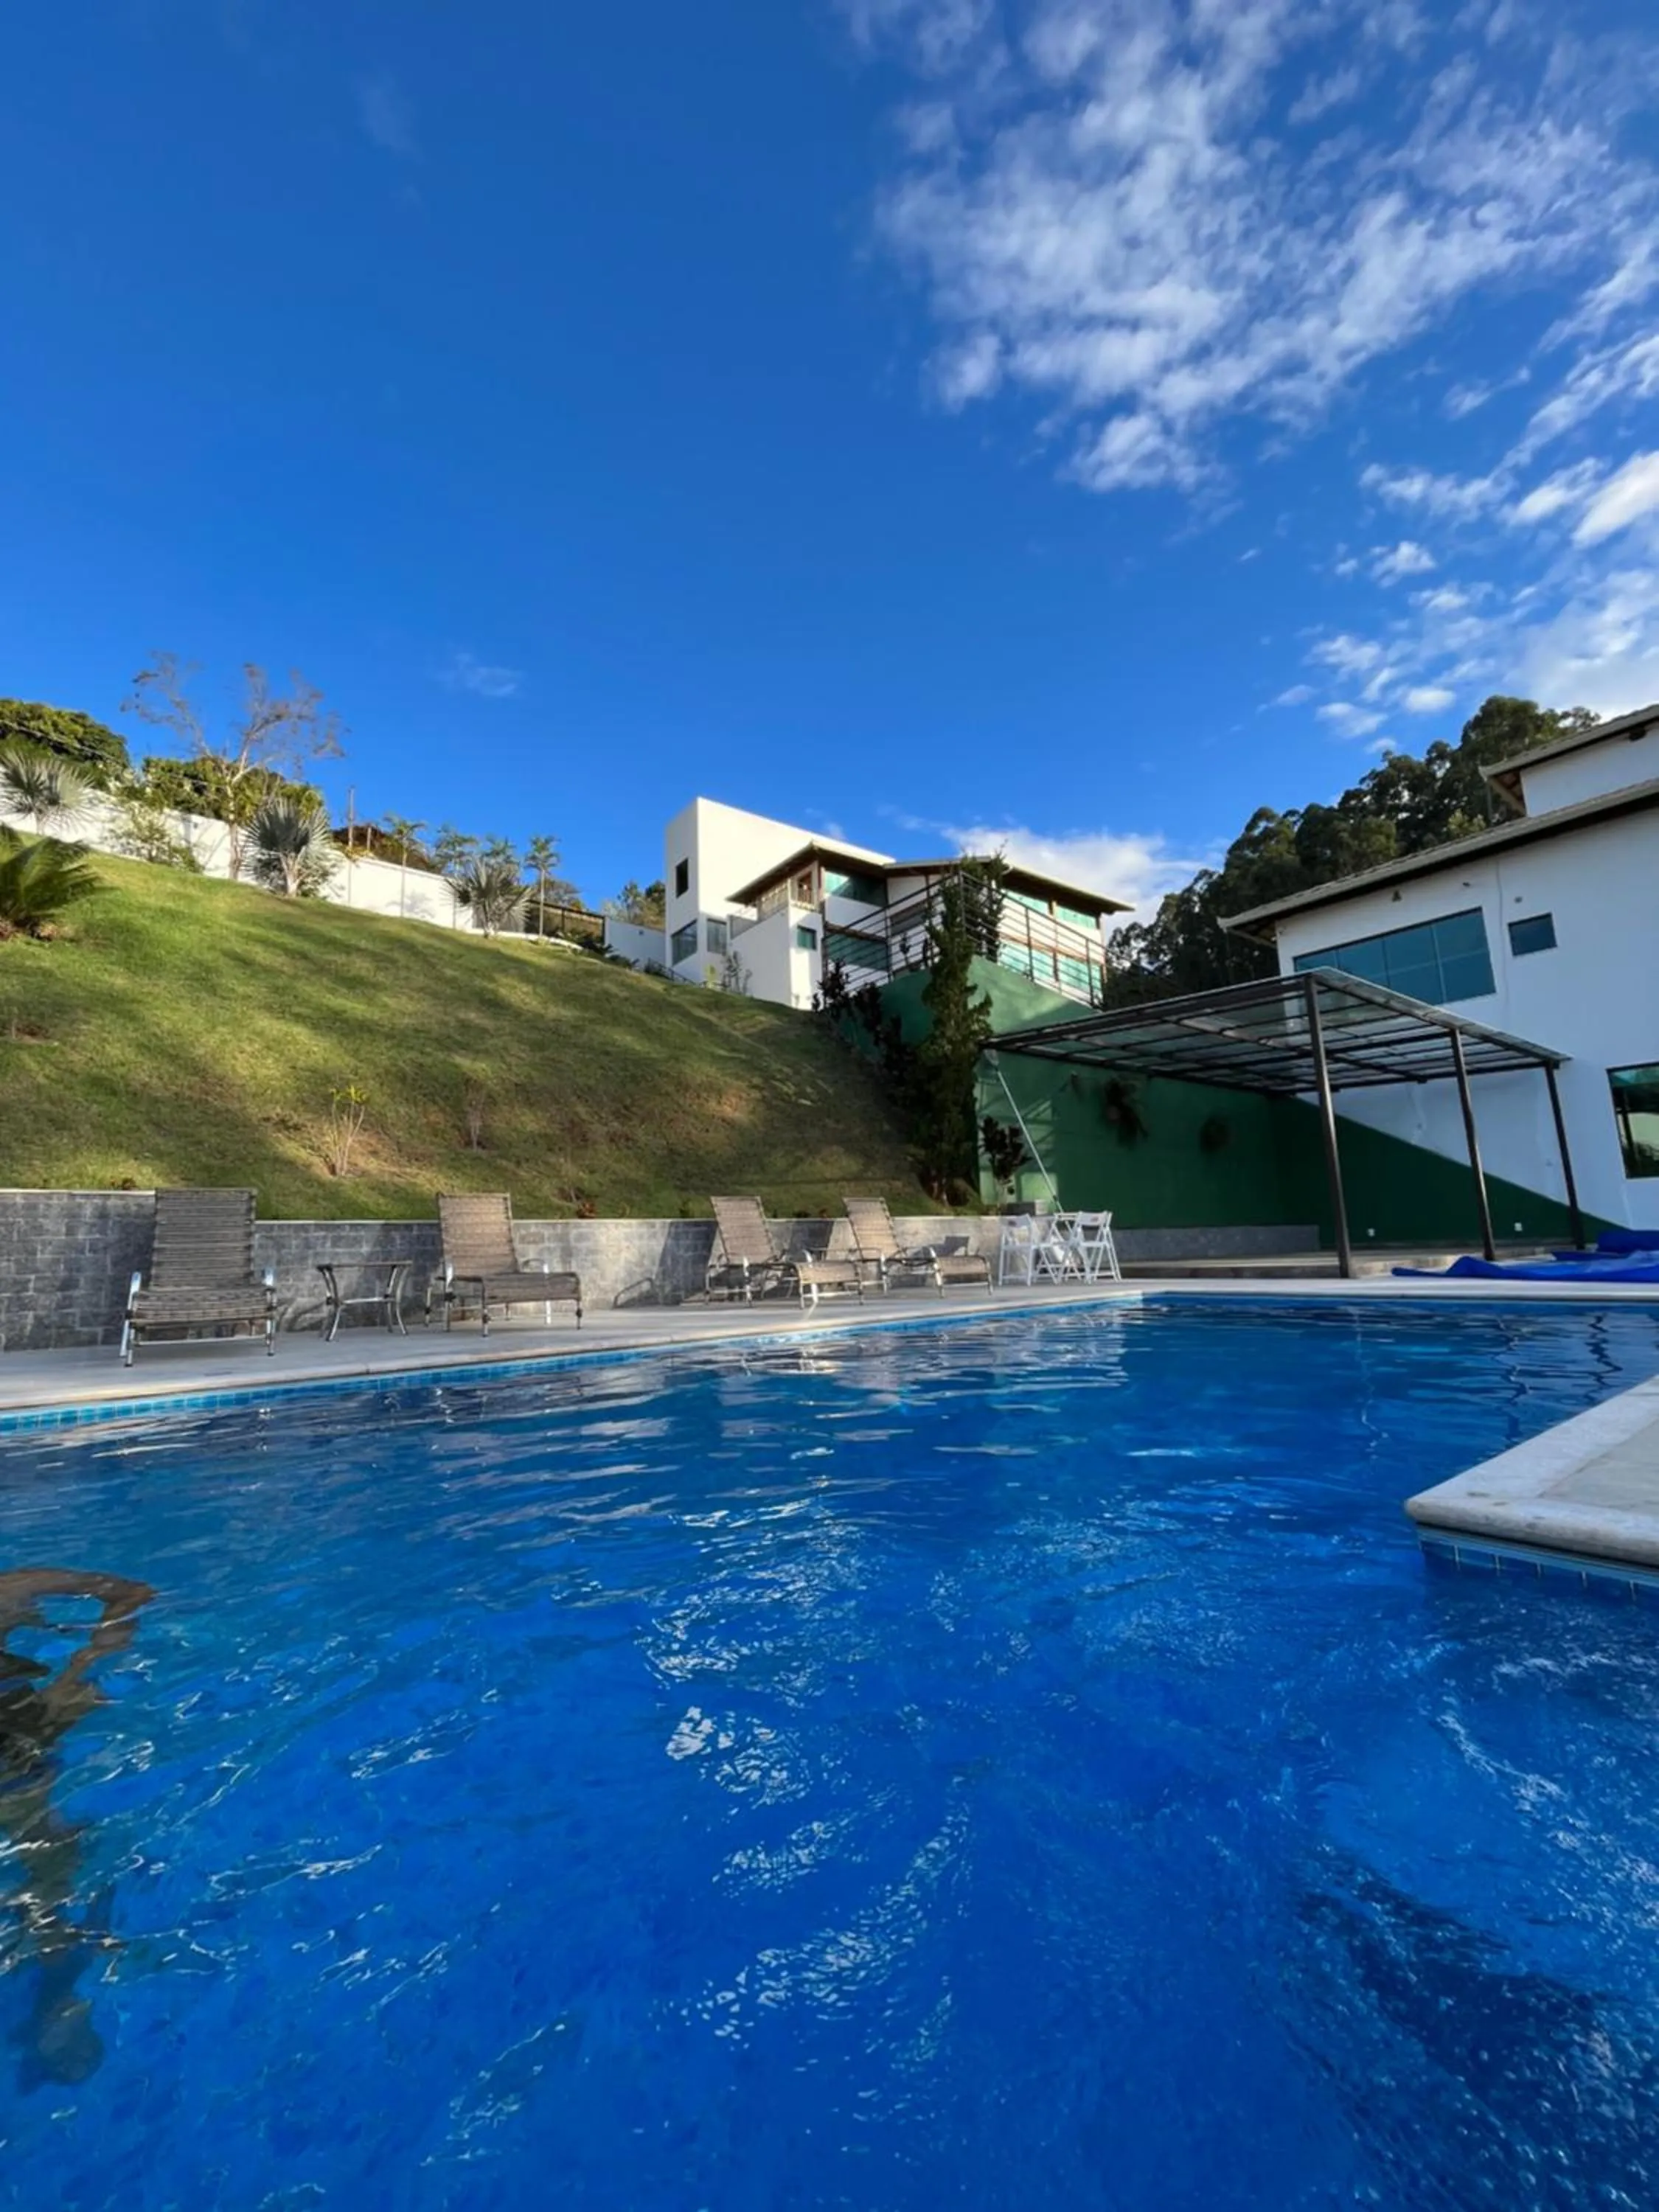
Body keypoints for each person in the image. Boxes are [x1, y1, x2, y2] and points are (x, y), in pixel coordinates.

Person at [0, 1568, 154, 2087]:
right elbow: (131, 1593)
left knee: (50, 1851)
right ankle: (52, 1949)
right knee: (50, 1849)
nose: (35, 1619)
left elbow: (130, 1592)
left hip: (21, 1742)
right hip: (20, 1754)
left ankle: (51, 1951)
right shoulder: (11, 1590)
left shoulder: (11, 1591)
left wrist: (84, 1666)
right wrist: (89, 1659)